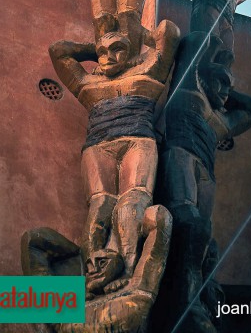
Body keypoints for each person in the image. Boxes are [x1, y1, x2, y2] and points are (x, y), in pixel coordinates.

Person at [48, 19, 180, 298]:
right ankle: (92, 277)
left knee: (132, 200)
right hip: (99, 145)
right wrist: (95, 47)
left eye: (117, 49)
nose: (109, 57)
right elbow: (58, 50)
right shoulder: (87, 82)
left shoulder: (147, 70)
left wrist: (135, 34)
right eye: (103, 52)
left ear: (131, 51)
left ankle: (129, 271)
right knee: (100, 206)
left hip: (137, 141)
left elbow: (169, 33)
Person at [155, 35, 251, 332]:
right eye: (222, 84)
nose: (226, 93)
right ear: (203, 77)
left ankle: (200, 297)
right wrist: (209, 74)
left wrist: (225, 86)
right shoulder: (189, 93)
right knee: (190, 224)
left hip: (206, 172)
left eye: (229, 87)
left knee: (204, 239)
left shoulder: (219, 123)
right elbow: (197, 43)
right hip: (180, 156)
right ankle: (185, 302)